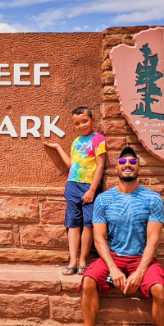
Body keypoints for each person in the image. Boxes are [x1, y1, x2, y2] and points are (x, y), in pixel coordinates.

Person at [68, 146, 164, 326]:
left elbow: (153, 240)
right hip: (113, 258)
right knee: (88, 281)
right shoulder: (103, 199)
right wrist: (113, 268)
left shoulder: (152, 199)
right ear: (116, 168)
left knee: (159, 290)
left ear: (139, 168)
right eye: (122, 162)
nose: (127, 165)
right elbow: (99, 238)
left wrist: (139, 273)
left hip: (141, 259)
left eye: (132, 162)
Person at [43, 106, 106, 275]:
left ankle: (83, 260)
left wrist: (92, 190)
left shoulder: (98, 140)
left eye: (85, 121)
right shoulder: (76, 141)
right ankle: (73, 260)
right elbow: (71, 165)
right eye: (77, 123)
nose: (81, 125)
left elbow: (100, 166)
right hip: (72, 186)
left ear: (93, 120)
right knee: (73, 224)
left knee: (88, 224)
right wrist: (58, 148)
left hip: (89, 187)